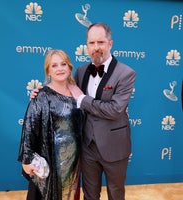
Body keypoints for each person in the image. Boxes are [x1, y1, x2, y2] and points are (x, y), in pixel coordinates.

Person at [31, 23, 136, 200]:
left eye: (101, 42)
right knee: (89, 195)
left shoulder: (126, 73)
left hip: (114, 146)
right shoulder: (80, 71)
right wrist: (41, 95)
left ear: (110, 44)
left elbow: (115, 110)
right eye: (91, 43)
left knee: (116, 193)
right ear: (86, 46)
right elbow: (64, 93)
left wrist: (83, 100)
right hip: (87, 147)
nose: (96, 48)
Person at [18, 49, 82, 200]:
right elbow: (29, 128)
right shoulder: (41, 95)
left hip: (73, 160)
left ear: (69, 67)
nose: (60, 68)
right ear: (48, 71)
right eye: (54, 65)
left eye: (63, 64)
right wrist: (26, 160)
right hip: (51, 160)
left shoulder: (77, 92)